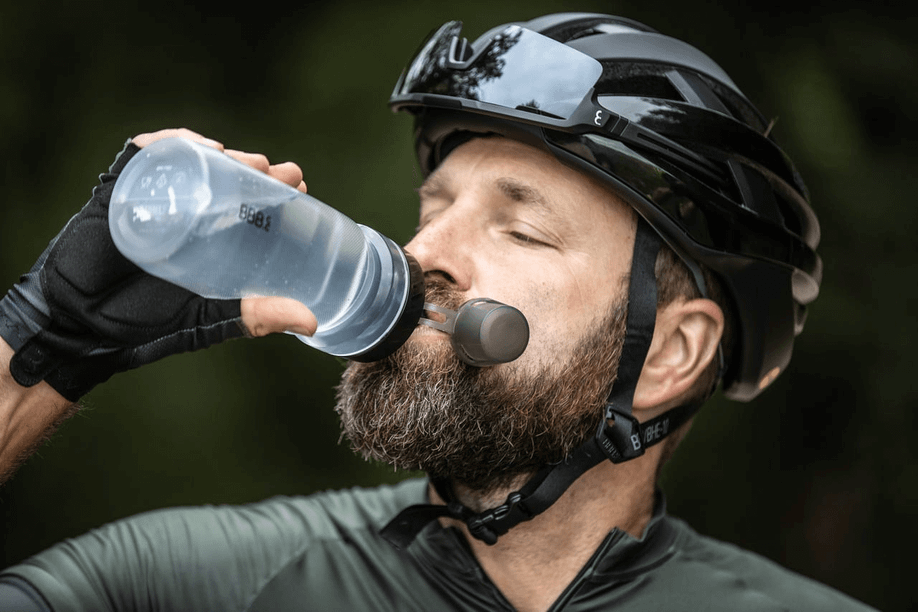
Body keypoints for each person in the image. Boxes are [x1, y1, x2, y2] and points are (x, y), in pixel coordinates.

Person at [0, 12, 875, 612]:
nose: (422, 255)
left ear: (670, 354)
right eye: (431, 211)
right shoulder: (201, 583)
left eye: (521, 229)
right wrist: (47, 346)